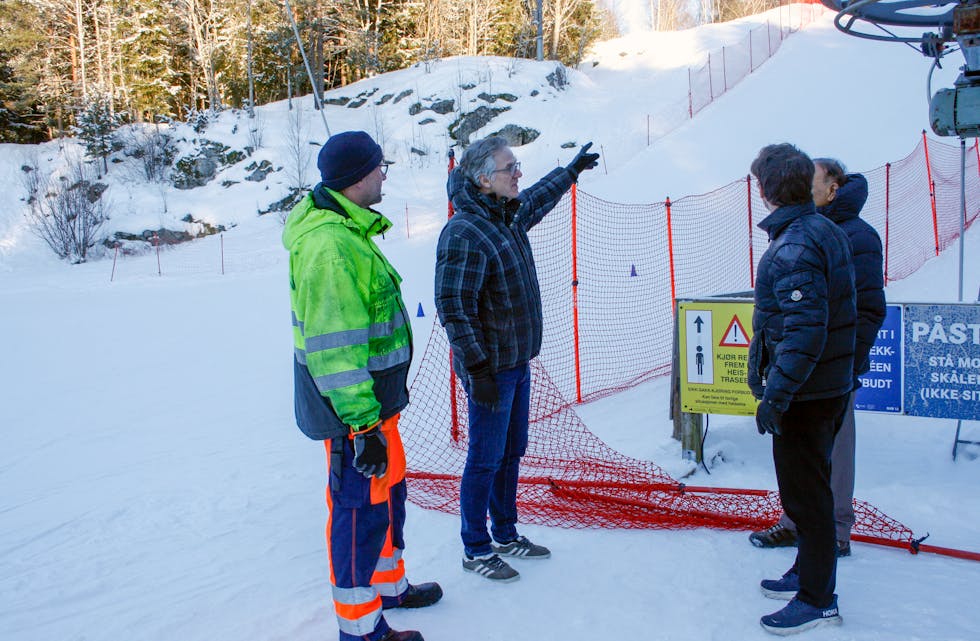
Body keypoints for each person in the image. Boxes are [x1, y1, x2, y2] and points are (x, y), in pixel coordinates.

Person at [283, 131, 442, 641]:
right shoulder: (330, 248)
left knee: (388, 495)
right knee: (359, 510)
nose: (384, 176)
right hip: (357, 415)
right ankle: (361, 628)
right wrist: (363, 425)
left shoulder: (350, 232)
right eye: (379, 168)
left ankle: (389, 587)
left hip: (376, 408)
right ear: (357, 178)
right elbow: (336, 349)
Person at [434, 136, 599, 582]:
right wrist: (479, 369)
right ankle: (475, 547)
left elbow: (537, 200)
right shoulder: (465, 231)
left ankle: (505, 533)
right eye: (511, 168)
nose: (518, 174)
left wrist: (570, 172)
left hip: (517, 363)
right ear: (484, 179)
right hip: (491, 371)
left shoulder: (504, 216)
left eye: (517, 165)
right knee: (485, 458)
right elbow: (454, 306)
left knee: (512, 451)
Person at [749, 159, 886, 558]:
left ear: (833, 189)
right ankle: (798, 527)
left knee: (834, 451)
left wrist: (847, 364)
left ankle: (836, 533)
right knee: (801, 461)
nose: (805, 189)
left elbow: (866, 309)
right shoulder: (803, 230)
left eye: (814, 182)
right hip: (803, 371)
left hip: (831, 372)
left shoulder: (854, 235)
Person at [747, 144, 856, 634]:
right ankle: (807, 573)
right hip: (821, 386)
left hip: (808, 394)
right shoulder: (813, 229)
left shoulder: (795, 243)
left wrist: (778, 395)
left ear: (768, 191)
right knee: (806, 491)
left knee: (807, 496)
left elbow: (804, 329)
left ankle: (817, 598)